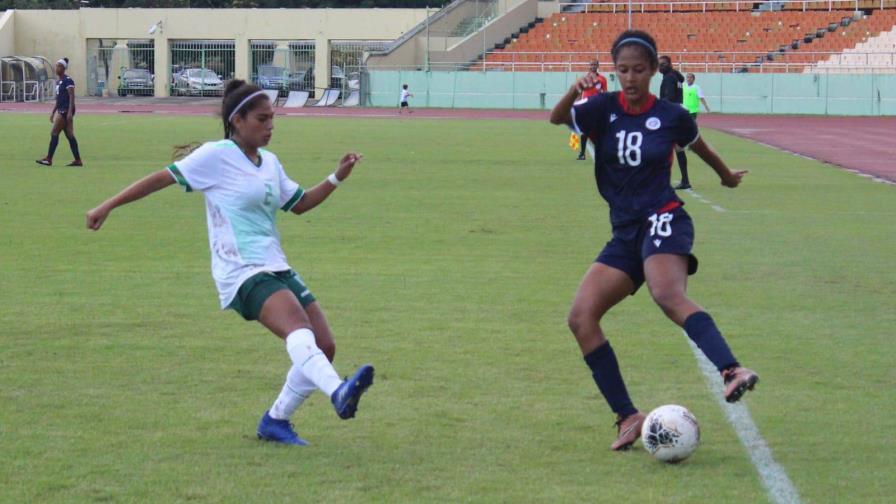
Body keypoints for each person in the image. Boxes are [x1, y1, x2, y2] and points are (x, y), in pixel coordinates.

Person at [85, 80, 375, 446]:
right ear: (237, 120)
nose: (270, 126)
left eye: (273, 119)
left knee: (325, 345)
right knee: (298, 328)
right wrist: (107, 205)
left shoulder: (270, 162)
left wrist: (336, 177)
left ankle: (275, 421)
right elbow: (162, 178)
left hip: (274, 264)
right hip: (240, 270)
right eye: (262, 119)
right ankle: (338, 392)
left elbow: (299, 203)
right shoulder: (216, 155)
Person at [549, 30, 758, 451]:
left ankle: (731, 370)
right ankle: (628, 417)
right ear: (615, 70)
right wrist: (574, 90)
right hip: (625, 231)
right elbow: (556, 119)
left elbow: (698, 146)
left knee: (666, 293)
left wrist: (725, 176)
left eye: (639, 69)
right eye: (623, 69)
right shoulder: (600, 108)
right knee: (580, 317)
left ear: (652, 68)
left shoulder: (671, 114)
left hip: (663, 218)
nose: (630, 77)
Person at [36, 58, 83, 167]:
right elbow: (58, 99)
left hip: (65, 111)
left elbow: (72, 97)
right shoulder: (58, 82)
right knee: (70, 135)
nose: (56, 68)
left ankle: (49, 159)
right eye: (56, 66)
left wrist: (70, 112)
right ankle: (78, 160)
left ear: (63, 68)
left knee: (54, 132)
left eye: (58, 66)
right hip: (61, 110)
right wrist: (53, 112)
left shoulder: (68, 80)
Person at [658, 55, 689, 190]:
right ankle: (685, 180)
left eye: (663, 64)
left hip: (671, 115)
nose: (660, 67)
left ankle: (661, 181)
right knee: (678, 148)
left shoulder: (669, 78)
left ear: (670, 64)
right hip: (677, 113)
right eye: (659, 64)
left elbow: (669, 98)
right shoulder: (676, 76)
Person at [577, 59, 608, 161]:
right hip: (585, 107)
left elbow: (604, 93)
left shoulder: (602, 79)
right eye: (591, 64)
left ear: (598, 66)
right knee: (584, 131)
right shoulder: (583, 78)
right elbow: (578, 92)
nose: (593, 66)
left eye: (595, 64)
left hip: (597, 107)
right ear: (588, 66)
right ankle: (582, 153)